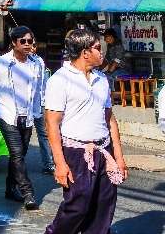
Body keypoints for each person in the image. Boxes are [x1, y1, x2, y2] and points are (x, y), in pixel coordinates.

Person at [44, 27, 128, 234]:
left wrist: (119, 156)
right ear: (85, 52)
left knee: (103, 207)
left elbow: (110, 119)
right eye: (98, 48)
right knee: (77, 205)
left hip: (103, 150)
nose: (102, 53)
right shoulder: (60, 80)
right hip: (75, 152)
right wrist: (60, 164)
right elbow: (51, 123)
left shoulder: (101, 80)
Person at [0, 25, 47, 209]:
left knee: (20, 154)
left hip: (28, 113)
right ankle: (28, 193)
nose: (26, 44)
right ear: (13, 43)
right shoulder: (0, 63)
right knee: (16, 152)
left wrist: (42, 108)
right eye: (22, 41)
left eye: (29, 41)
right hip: (6, 113)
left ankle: (10, 187)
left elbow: (41, 88)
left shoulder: (37, 63)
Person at [29, 40, 56, 174]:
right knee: (22, 136)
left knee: (44, 133)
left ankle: (48, 164)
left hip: (40, 103)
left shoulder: (39, 60)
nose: (32, 48)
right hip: (22, 105)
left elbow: (43, 83)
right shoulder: (13, 62)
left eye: (34, 45)